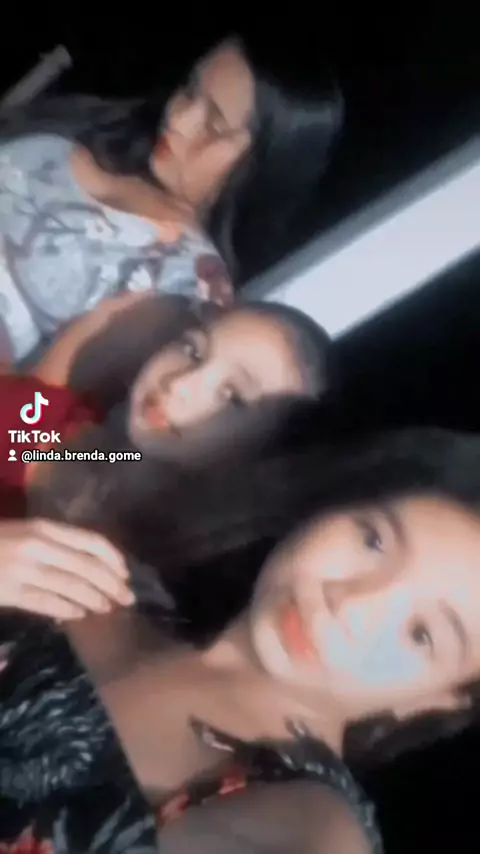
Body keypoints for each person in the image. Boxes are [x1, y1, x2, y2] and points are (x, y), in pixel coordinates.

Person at [3, 425, 480, 852]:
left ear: (437, 701)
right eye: (373, 541)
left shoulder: (307, 821)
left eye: (421, 634)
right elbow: (44, 445)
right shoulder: (120, 582)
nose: (350, 603)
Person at [0, 37, 344, 365]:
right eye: (190, 90)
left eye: (214, 125)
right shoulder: (100, 126)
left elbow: (41, 402)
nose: (178, 118)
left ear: (260, 168)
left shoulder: (184, 286)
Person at [0, 291, 331, 622]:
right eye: (193, 351)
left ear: (260, 458)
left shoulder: (147, 601)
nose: (179, 383)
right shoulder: (48, 421)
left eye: (232, 396)